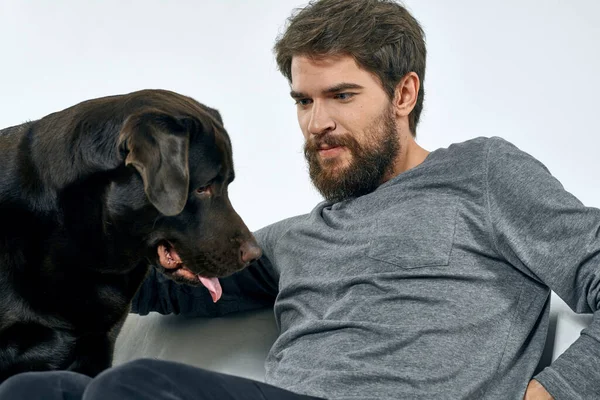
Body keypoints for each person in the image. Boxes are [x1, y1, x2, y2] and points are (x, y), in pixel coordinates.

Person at [1, 0, 598, 399]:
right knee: (34, 388)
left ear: (404, 93)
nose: (317, 123)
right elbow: (159, 285)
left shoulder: (482, 175)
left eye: (341, 95)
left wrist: (556, 392)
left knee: (126, 389)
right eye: (303, 101)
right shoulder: (293, 240)